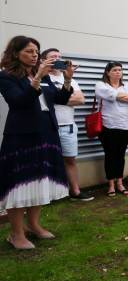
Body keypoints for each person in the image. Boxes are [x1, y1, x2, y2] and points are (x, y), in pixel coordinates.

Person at [0, 36, 75, 249]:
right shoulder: (6, 77)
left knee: (39, 181)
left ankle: (33, 225)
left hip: (46, 134)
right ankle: (16, 233)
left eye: (36, 52)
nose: (34, 55)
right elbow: (18, 101)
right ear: (15, 53)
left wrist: (67, 79)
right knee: (19, 185)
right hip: (22, 137)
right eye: (29, 52)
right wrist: (38, 77)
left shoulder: (44, 76)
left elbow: (60, 99)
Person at [42, 48, 93, 201]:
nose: (58, 58)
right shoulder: (43, 78)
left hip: (68, 126)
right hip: (48, 126)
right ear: (44, 60)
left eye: (59, 56)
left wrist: (56, 98)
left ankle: (75, 191)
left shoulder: (70, 79)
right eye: (53, 56)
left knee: (70, 159)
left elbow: (81, 99)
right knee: (46, 160)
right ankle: (46, 196)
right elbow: (45, 99)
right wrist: (62, 97)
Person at [95, 62, 128, 196]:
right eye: (114, 70)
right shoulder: (101, 85)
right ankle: (111, 185)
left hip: (126, 125)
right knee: (110, 155)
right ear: (108, 72)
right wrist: (126, 98)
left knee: (120, 155)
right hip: (108, 126)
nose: (118, 72)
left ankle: (120, 183)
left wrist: (115, 96)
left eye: (120, 70)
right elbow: (107, 94)